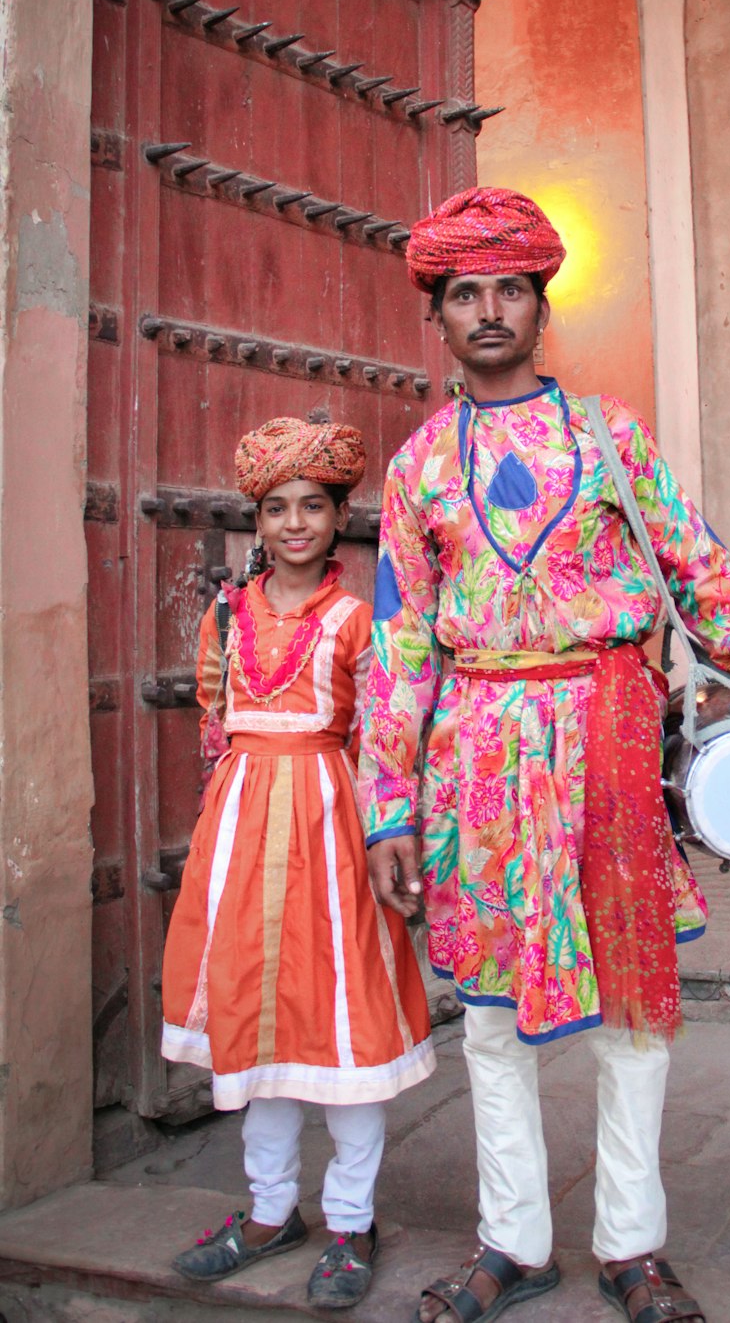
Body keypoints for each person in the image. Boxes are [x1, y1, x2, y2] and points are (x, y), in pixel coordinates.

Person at [357, 187, 730, 1323]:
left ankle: (634, 1248)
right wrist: (388, 808)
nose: (489, 310)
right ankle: (515, 1243)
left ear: (541, 306)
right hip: (477, 764)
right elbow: (398, 651)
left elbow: (702, 575)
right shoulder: (420, 468)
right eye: (465, 293)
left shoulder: (609, 438)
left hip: (611, 743)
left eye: (510, 290)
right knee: (490, 1017)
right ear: (437, 316)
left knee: (635, 1006)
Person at [162, 416, 434, 1310]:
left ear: (336, 516)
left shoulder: (360, 621)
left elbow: (386, 728)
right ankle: (270, 1209)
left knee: (341, 1017)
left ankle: (352, 1222)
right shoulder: (226, 616)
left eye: (311, 506)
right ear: (256, 521)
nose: (292, 524)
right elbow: (215, 713)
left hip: (332, 831)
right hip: (242, 837)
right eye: (274, 508)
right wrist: (228, 819)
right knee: (258, 1020)